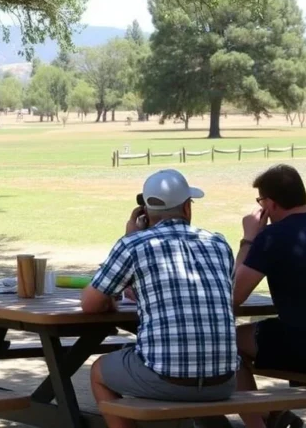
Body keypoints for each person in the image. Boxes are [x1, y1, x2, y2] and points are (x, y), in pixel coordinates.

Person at [83, 169, 237, 428]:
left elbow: (90, 304)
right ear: (187, 208)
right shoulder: (219, 244)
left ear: (145, 211)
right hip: (225, 381)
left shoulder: (134, 244)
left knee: (99, 371)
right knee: (190, 373)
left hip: (166, 378)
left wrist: (130, 236)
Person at [233, 165, 306, 428]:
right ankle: (272, 415)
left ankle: (259, 422)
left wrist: (249, 239)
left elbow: (234, 295)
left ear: (270, 204)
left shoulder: (272, 237)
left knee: (225, 342)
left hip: (304, 344)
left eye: (260, 201)